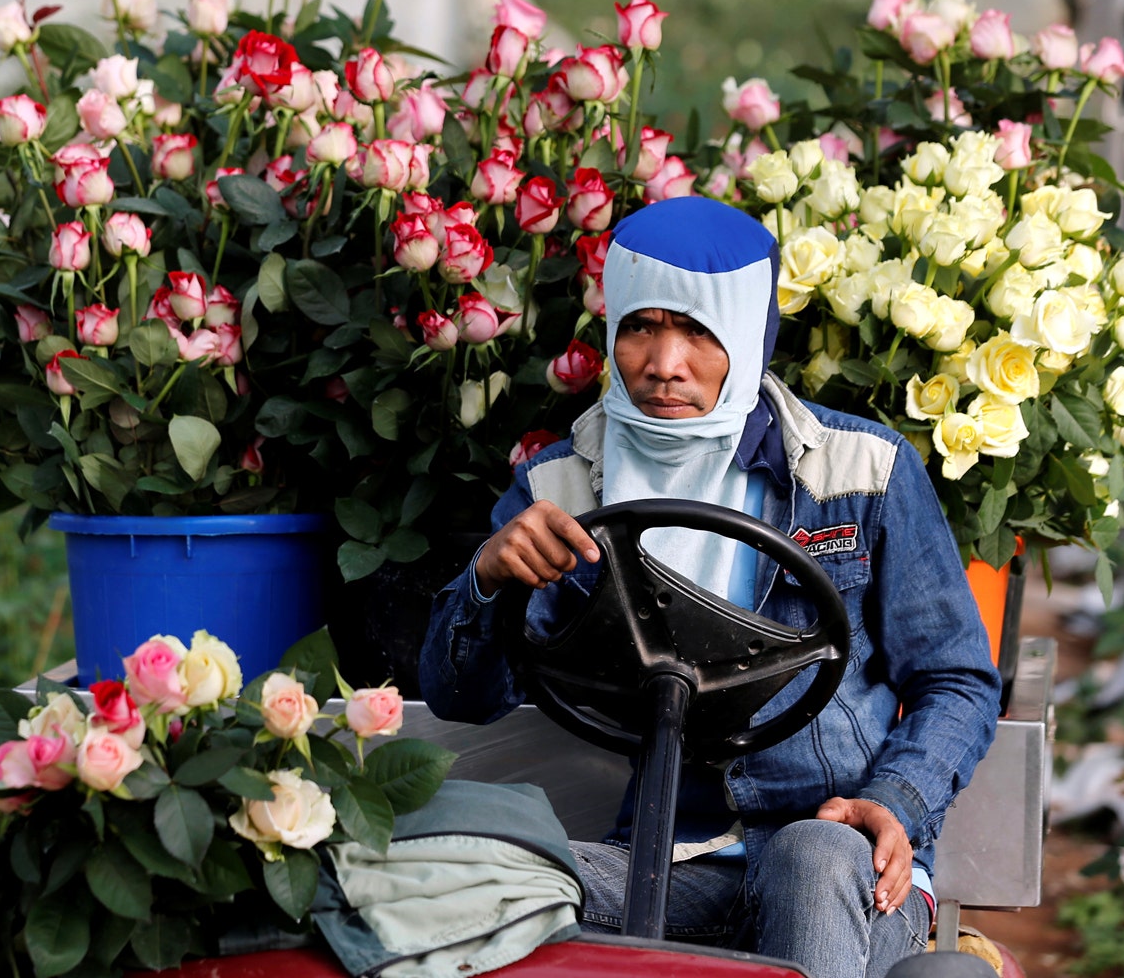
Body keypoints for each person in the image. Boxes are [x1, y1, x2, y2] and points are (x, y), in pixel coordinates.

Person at [418, 196, 1001, 978]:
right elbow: (462, 698)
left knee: (812, 853)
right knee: (474, 863)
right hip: (664, 860)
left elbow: (957, 679)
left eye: (697, 331)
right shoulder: (560, 485)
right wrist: (489, 578)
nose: (664, 363)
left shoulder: (860, 471)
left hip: (842, 864)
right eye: (640, 327)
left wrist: (896, 800)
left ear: (748, 334)